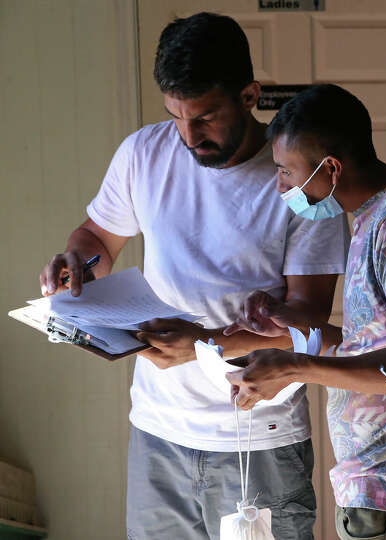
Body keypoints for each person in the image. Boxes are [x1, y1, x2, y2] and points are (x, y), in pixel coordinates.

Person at [37, 13, 349, 540]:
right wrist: (77, 263)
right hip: (158, 432)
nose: (188, 135)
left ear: (249, 96)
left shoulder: (298, 177)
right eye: (176, 116)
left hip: (259, 437)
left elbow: (308, 327)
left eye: (205, 117)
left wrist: (203, 345)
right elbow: (98, 239)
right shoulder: (143, 153)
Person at [223, 84, 386, 540]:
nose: (280, 185)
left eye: (285, 171)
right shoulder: (376, 218)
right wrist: (300, 324)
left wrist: (297, 366)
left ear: (331, 167)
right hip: (380, 491)